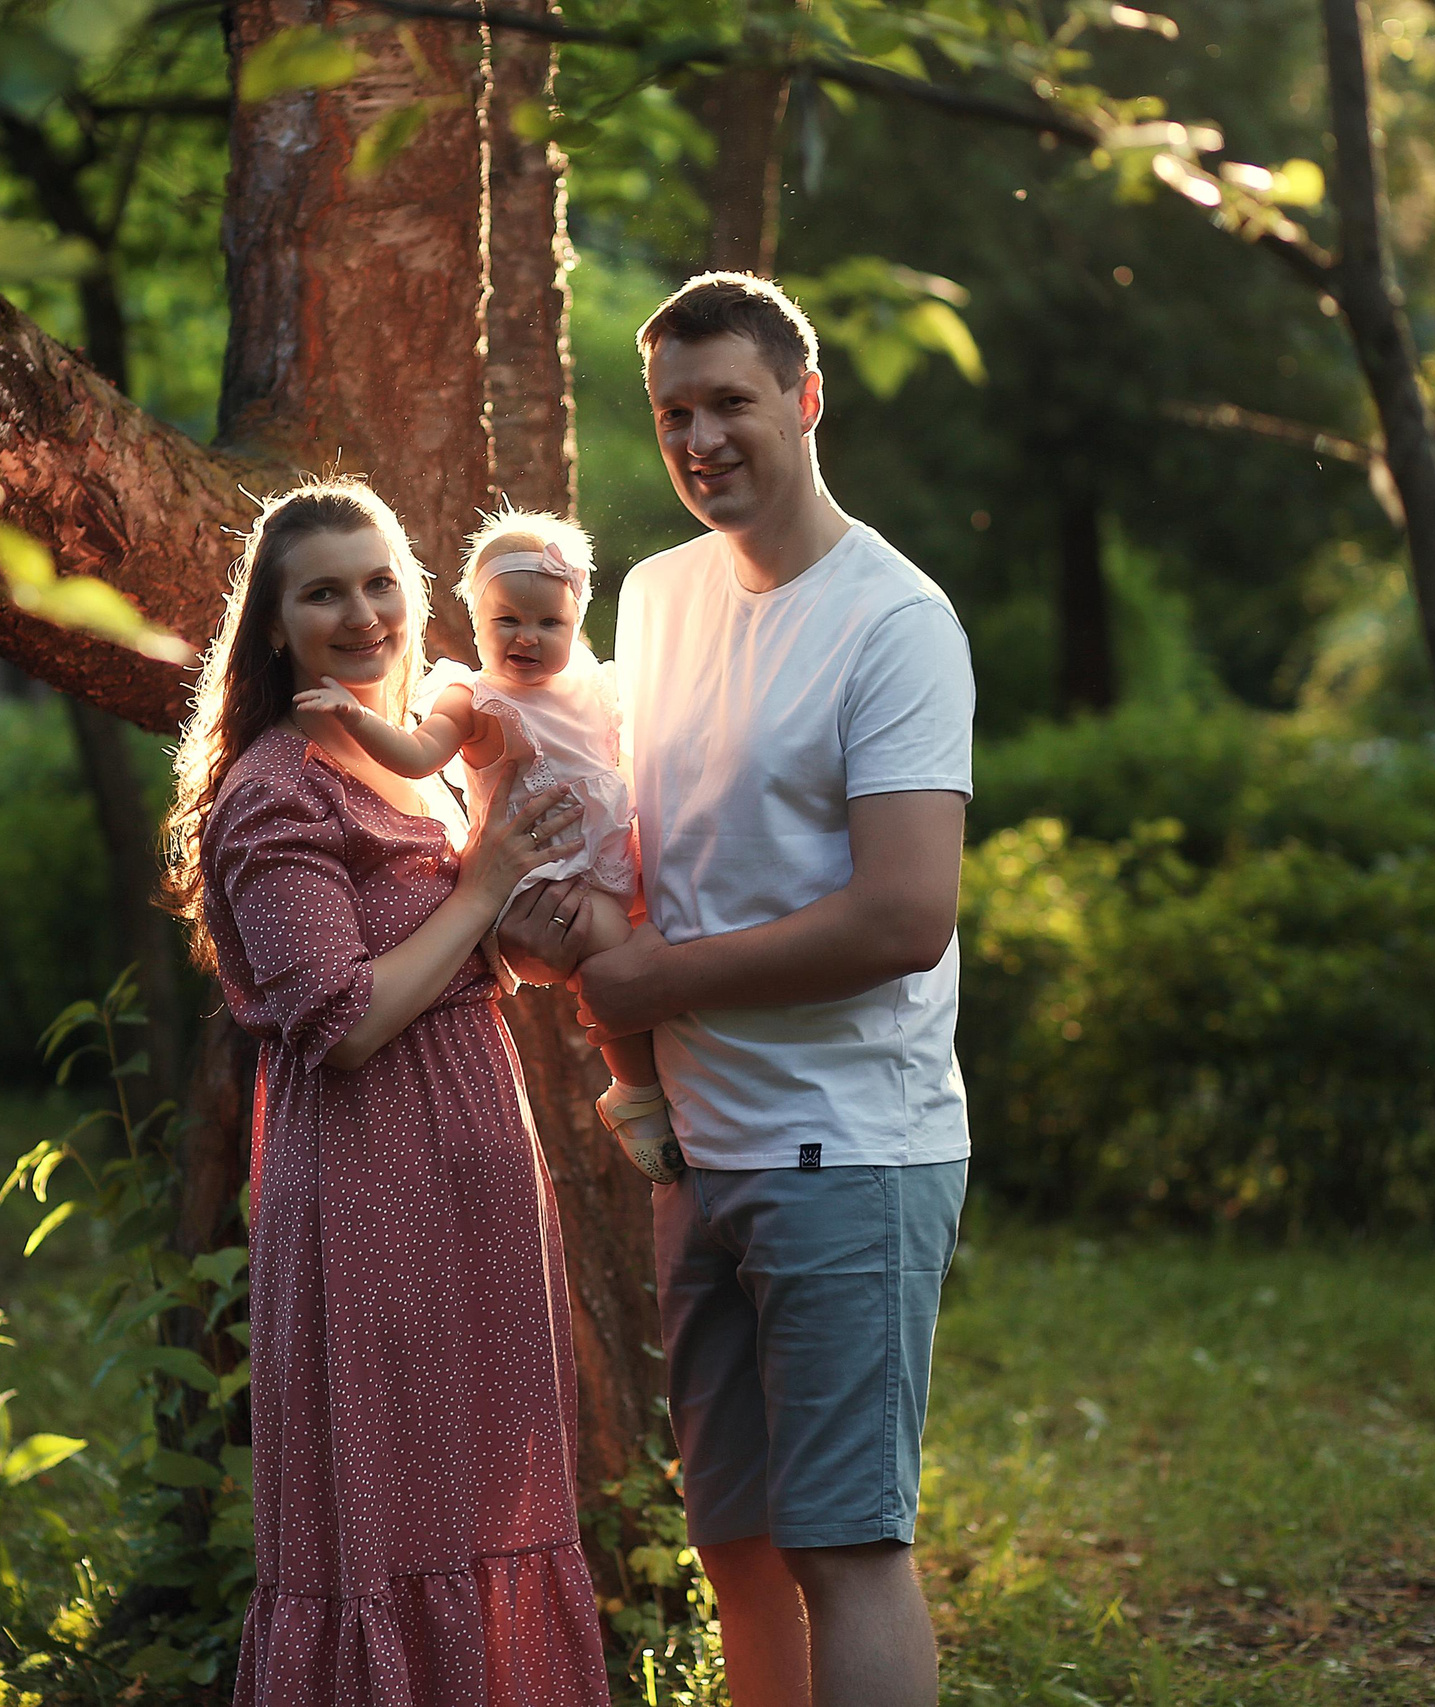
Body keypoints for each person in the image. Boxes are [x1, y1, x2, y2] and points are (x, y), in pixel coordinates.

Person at [508, 273, 975, 1707]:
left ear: (807, 401)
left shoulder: (896, 621)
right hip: (696, 1148)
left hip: (852, 1146)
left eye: (730, 403)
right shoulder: (652, 597)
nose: (701, 438)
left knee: (847, 1543)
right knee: (739, 1544)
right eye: (673, 415)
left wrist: (656, 973)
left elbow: (905, 911)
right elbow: (628, 825)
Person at [162, 477, 614, 1707]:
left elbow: (484, 954)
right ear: (272, 626)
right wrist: (482, 888)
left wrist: (553, 907)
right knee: (390, 1514)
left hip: (478, 1162)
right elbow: (345, 1021)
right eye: (322, 593)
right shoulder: (275, 791)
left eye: (379, 584)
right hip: (370, 1183)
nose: (360, 615)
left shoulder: (423, 753)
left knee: (485, 1497)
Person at [291, 507, 681, 1184]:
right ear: (476, 622)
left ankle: (677, 1076)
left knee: (668, 934)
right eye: (508, 621)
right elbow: (417, 754)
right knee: (614, 948)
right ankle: (635, 1091)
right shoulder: (472, 698)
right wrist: (358, 717)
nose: (527, 638)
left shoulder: (592, 683)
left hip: (610, 860)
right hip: (538, 882)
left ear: (574, 622)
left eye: (547, 623)